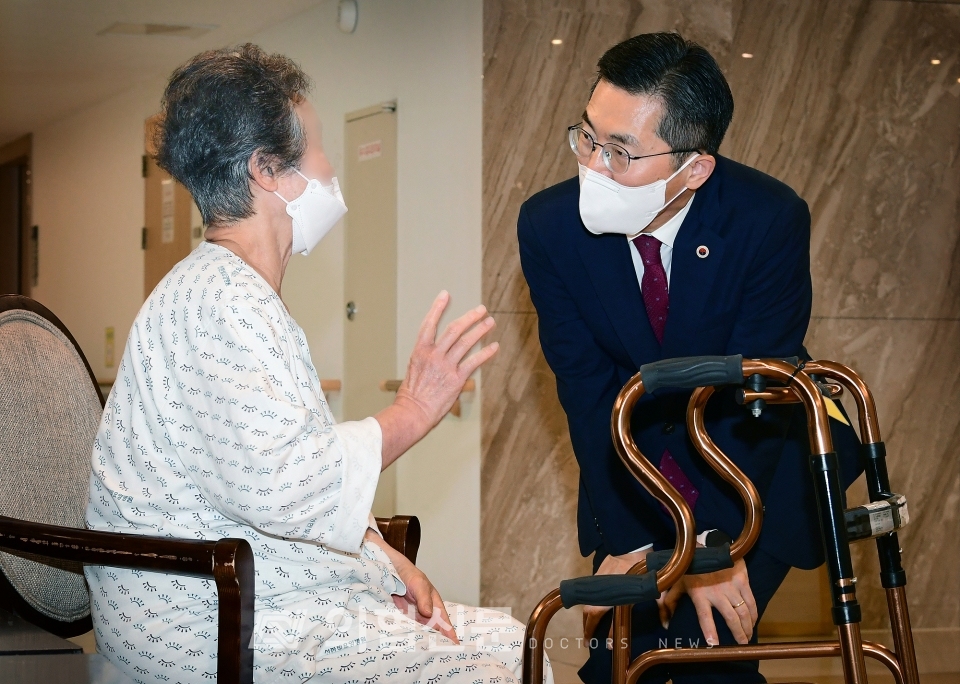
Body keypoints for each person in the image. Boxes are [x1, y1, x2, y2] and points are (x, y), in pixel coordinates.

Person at [85, 44, 551, 684]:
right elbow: (287, 485)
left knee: (514, 645)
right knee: (498, 666)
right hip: (201, 620)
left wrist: (383, 559)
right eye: (319, 150)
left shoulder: (225, 291)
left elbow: (264, 484)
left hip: (251, 591)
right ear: (267, 171)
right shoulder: (223, 302)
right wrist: (413, 410)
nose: (331, 170)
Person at [518, 32, 862, 684]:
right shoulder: (550, 226)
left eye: (621, 151)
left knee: (709, 651)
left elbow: (753, 392)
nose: (594, 166)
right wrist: (632, 541)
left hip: (751, 459)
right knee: (617, 662)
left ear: (695, 168)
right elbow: (586, 391)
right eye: (588, 137)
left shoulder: (767, 218)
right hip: (632, 464)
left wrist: (709, 546)